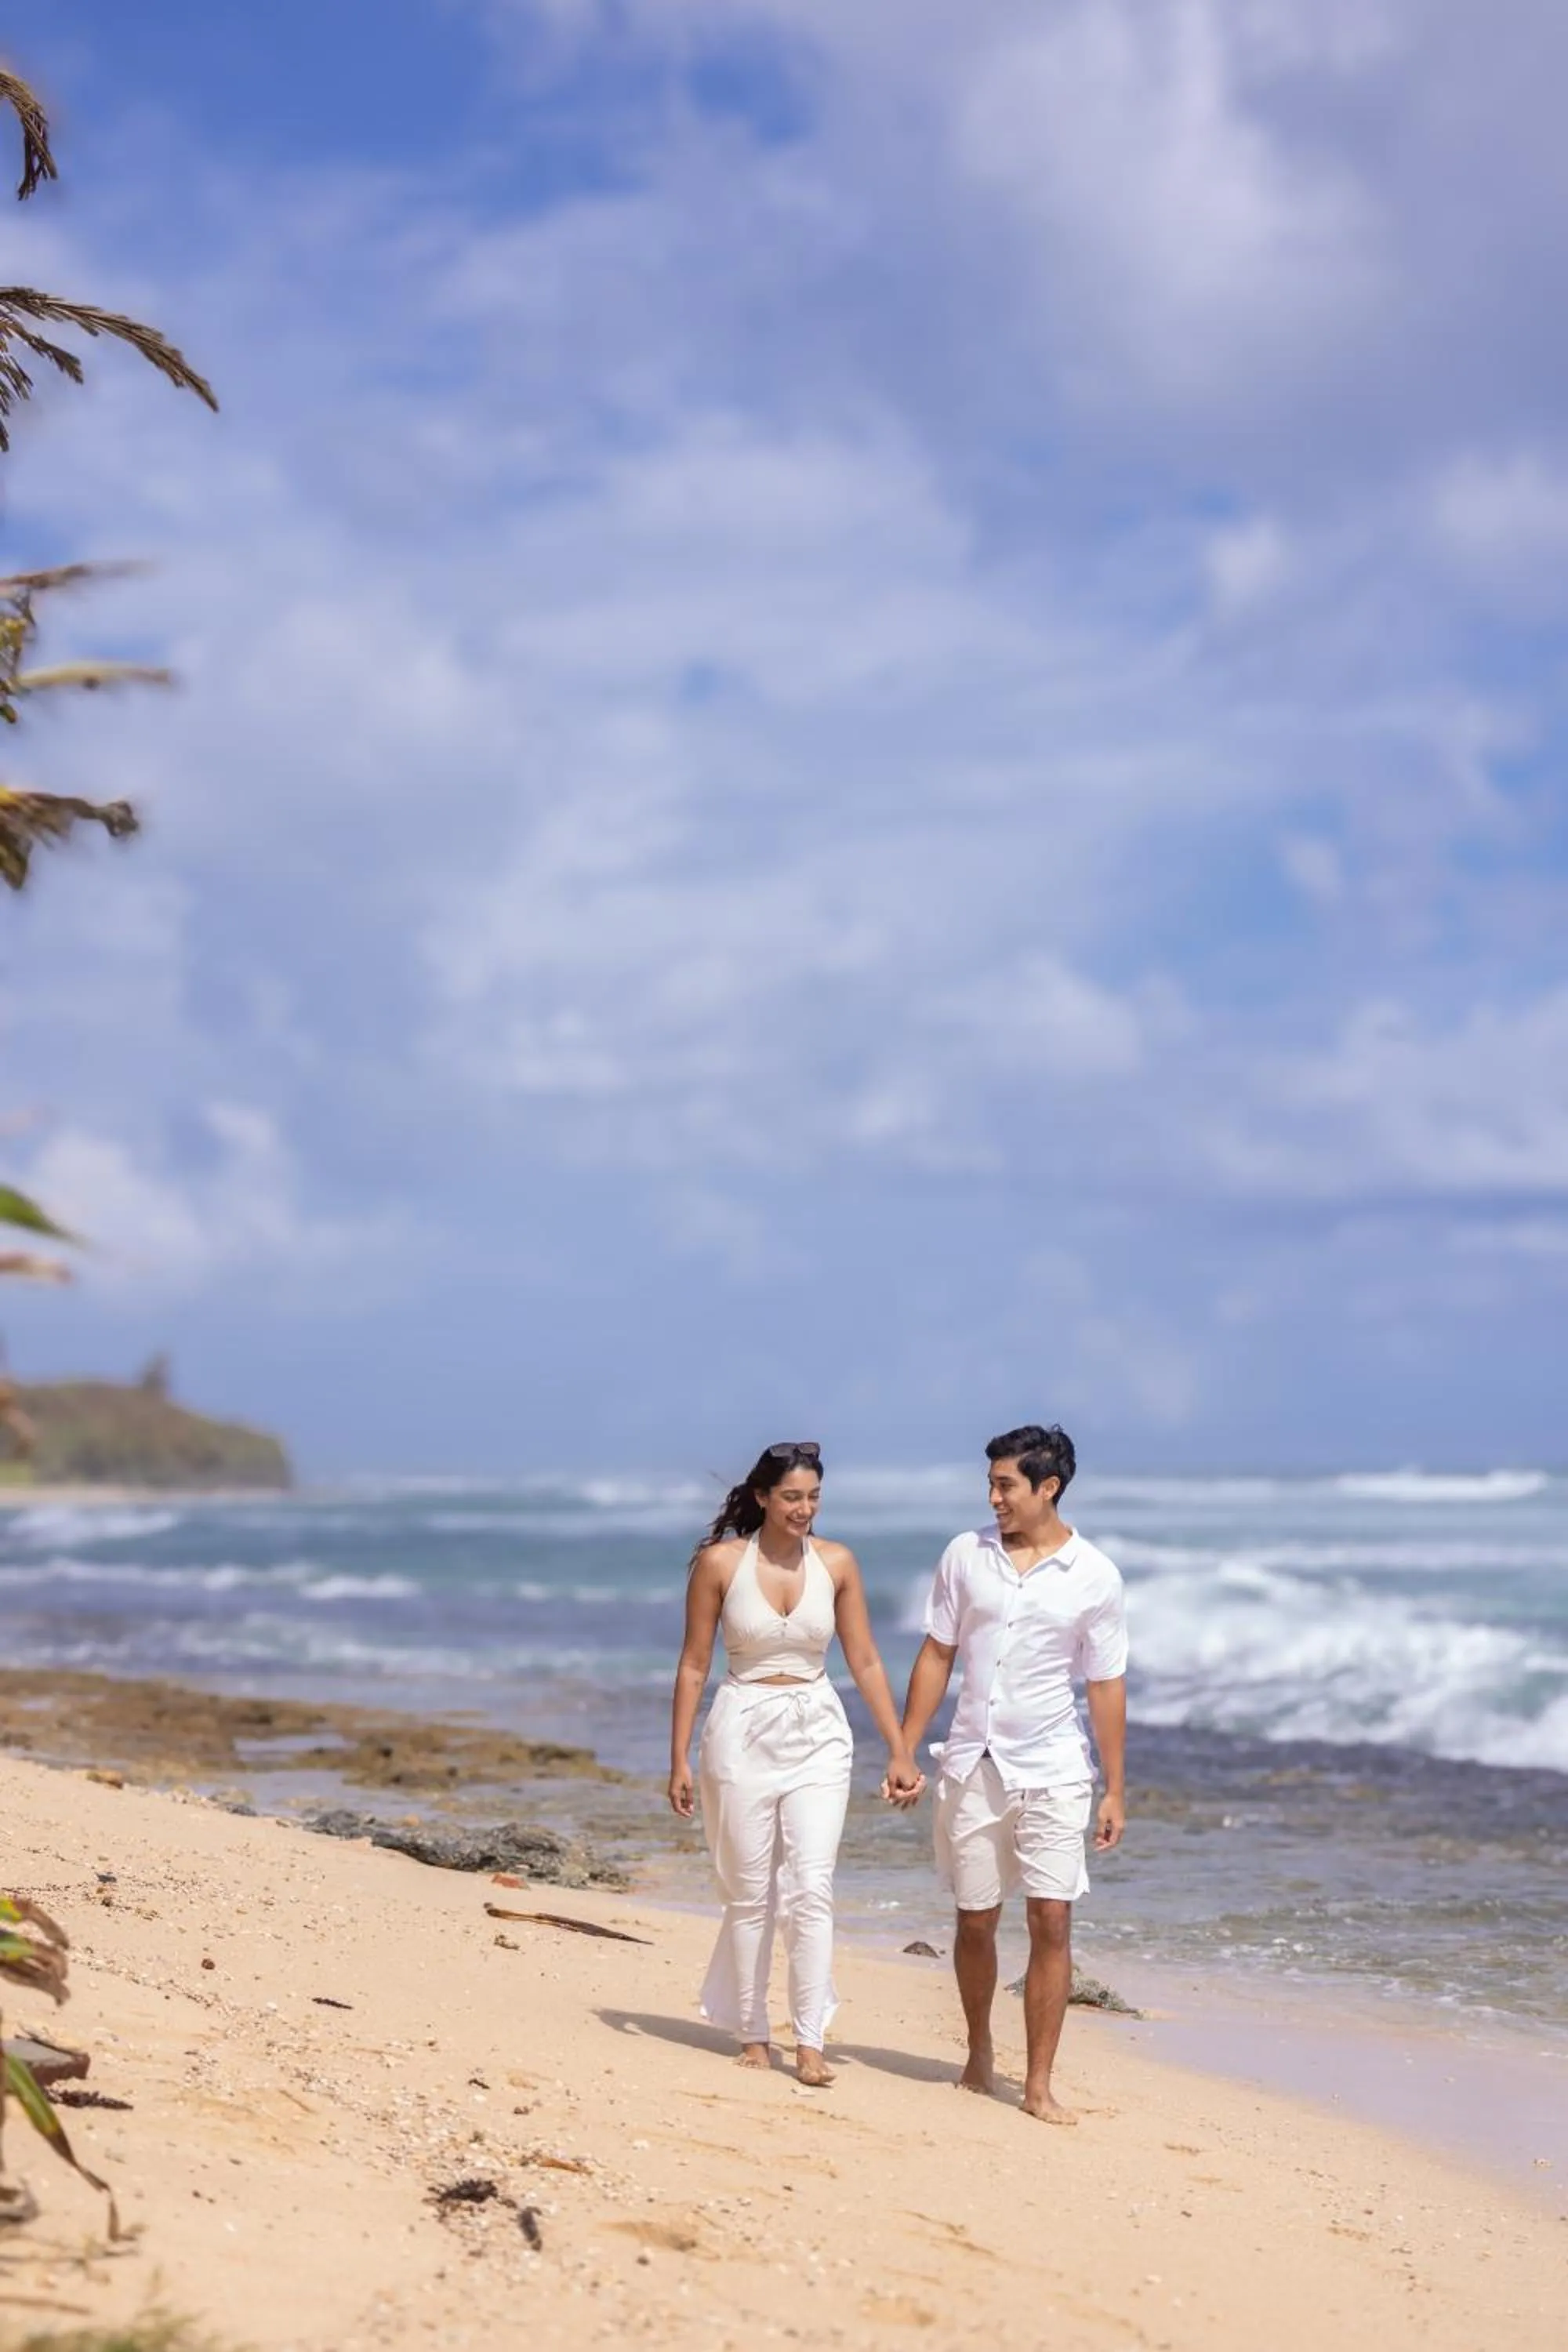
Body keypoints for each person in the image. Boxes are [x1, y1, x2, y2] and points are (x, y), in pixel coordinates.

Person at [670, 1440, 924, 2086]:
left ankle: (811, 2039)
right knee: (750, 1891)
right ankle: (754, 2032)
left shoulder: (837, 1563)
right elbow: (695, 1662)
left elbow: (864, 1660)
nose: (804, 1509)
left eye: (813, 1497)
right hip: (740, 1728)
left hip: (817, 1729)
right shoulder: (720, 1564)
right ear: (762, 1498)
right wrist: (678, 1757)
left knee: (812, 1888)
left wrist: (898, 1748)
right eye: (791, 1497)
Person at [895, 1424, 1127, 2124]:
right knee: (974, 1921)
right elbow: (938, 1653)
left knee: (1052, 1919)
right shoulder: (966, 1555)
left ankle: (1039, 2083)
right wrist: (906, 1748)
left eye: (1006, 1485)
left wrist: (1116, 1787)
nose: (992, 1496)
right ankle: (977, 2051)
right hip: (972, 1760)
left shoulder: (1095, 1575)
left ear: (1047, 1488)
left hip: (1055, 1767)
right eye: (990, 1483)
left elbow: (1106, 1685)